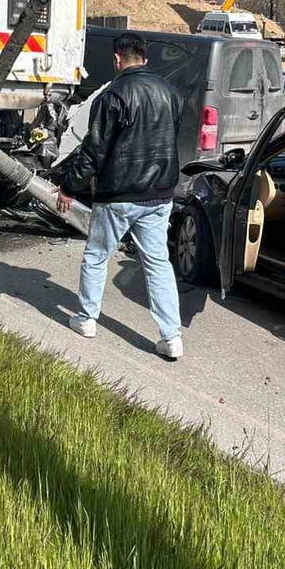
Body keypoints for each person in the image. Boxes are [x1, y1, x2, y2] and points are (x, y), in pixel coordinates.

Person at [56, 32, 185, 360]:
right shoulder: (171, 93)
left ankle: (86, 319)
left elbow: (94, 150)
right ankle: (171, 336)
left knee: (97, 255)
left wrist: (69, 187)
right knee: (157, 262)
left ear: (117, 59)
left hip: (119, 194)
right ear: (145, 58)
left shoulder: (113, 95)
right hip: (160, 194)